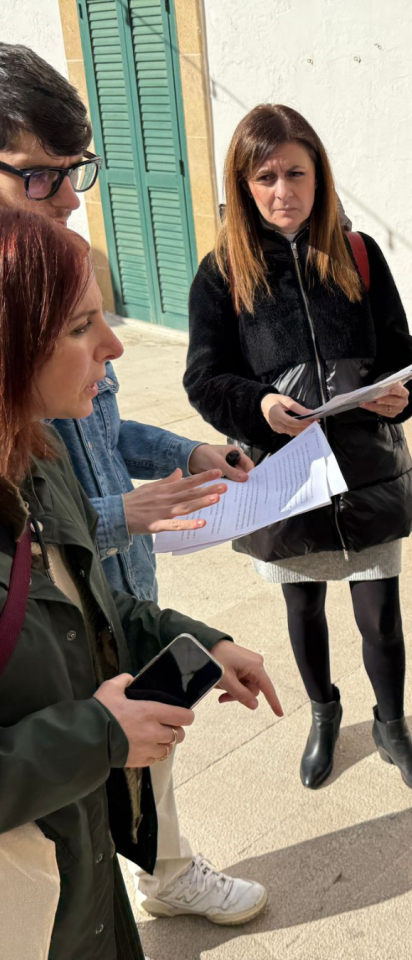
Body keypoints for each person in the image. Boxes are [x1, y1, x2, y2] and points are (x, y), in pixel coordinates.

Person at [0, 42, 268, 924]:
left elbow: (107, 429)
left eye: (78, 171)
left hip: (105, 618)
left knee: (136, 757)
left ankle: (165, 869)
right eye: (42, 178)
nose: (72, 200)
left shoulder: (33, 437)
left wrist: (186, 457)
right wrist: (86, 738)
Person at [184, 103, 412, 796]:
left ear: (319, 175)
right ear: (242, 184)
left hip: (367, 471)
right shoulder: (220, 273)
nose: (282, 191)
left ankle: (392, 728)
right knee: (303, 610)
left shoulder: (359, 254)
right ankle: (324, 715)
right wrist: (260, 406)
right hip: (287, 478)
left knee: (380, 614)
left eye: (295, 172)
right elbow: (204, 379)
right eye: (264, 176)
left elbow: (400, 351)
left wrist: (400, 393)